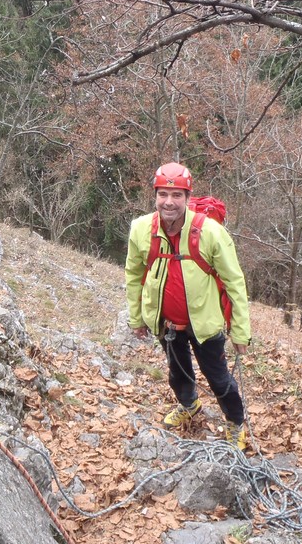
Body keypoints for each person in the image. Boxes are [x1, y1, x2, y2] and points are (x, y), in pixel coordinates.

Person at [124, 161, 252, 448]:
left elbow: (234, 281)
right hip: (166, 322)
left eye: (176, 195)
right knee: (177, 373)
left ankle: (235, 423)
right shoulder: (141, 229)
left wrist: (240, 331)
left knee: (219, 379)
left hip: (205, 323)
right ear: (155, 196)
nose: (168, 202)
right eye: (163, 194)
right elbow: (133, 275)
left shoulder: (210, 232)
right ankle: (189, 405)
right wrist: (137, 317)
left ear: (187, 197)